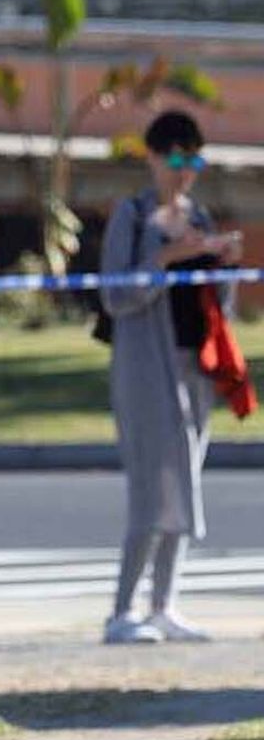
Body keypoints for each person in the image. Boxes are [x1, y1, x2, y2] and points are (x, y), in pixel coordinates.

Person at [99, 110, 242, 645]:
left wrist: (220, 261)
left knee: (185, 482)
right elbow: (115, 295)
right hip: (143, 367)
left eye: (195, 161)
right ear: (154, 158)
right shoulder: (131, 216)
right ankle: (121, 611)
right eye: (177, 159)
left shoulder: (198, 214)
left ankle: (164, 605)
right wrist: (165, 257)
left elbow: (215, 304)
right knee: (149, 490)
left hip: (192, 367)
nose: (185, 172)